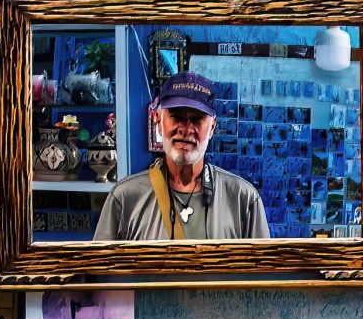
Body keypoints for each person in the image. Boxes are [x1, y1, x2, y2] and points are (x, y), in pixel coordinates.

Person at [93, 72, 269, 240]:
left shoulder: (243, 200)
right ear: (158, 122)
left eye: (196, 119)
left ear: (212, 127)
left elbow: (265, 269)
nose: (185, 129)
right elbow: (100, 268)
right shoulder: (124, 198)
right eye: (176, 117)